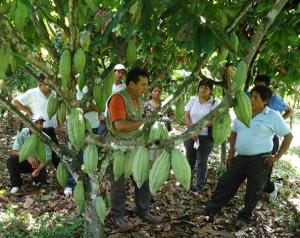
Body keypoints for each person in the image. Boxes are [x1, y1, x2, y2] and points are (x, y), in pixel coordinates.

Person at [198, 86, 293, 226]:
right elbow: (234, 132)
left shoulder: (273, 116)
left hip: (260, 160)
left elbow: (288, 136)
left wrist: (276, 157)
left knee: (254, 190)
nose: (251, 99)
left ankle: (244, 216)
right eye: (251, 96)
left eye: (256, 97)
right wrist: (231, 153)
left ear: (265, 101)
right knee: (226, 183)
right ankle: (212, 208)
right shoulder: (243, 113)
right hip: (241, 157)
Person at [106, 67, 161, 231]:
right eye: (143, 84)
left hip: (136, 147)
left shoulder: (138, 99)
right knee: (119, 183)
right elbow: (120, 125)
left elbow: (139, 124)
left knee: (143, 178)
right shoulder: (118, 98)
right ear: (131, 83)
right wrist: (145, 122)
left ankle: (143, 210)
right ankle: (117, 215)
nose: (146, 88)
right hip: (119, 148)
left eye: (146, 85)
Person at [253, 75, 293, 201]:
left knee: (265, 166)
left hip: (270, 138)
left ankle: (270, 188)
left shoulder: (274, 100)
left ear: (267, 86)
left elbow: (290, 110)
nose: (258, 88)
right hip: (256, 136)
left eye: (261, 86)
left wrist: (278, 123)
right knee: (254, 167)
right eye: (256, 85)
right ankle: (258, 190)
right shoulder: (252, 96)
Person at [13, 74, 60, 168]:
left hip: (50, 129)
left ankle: (65, 181)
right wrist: (29, 112)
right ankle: (38, 177)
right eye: (48, 79)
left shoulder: (55, 94)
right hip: (37, 130)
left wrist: (58, 120)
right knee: (39, 154)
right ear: (41, 81)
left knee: (56, 156)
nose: (51, 82)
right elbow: (15, 101)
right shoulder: (33, 93)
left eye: (53, 80)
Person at [184, 79, 220, 195]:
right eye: (201, 87)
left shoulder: (215, 103)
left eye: (206, 88)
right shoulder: (192, 100)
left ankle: (198, 186)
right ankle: (187, 183)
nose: (203, 89)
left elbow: (214, 120)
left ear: (211, 91)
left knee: (201, 161)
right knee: (190, 160)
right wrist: (192, 129)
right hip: (190, 136)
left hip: (205, 137)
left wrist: (198, 130)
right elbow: (187, 115)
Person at [63, 84, 100, 196]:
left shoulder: (97, 87)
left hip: (93, 125)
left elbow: (100, 107)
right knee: (75, 155)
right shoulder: (76, 85)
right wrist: (87, 106)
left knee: (89, 156)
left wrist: (85, 106)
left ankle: (88, 184)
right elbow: (74, 106)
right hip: (77, 126)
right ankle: (70, 184)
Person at [7, 114, 52, 194]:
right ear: (30, 124)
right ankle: (16, 184)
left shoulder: (46, 138)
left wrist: (38, 169)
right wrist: (28, 157)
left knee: (38, 183)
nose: (39, 125)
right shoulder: (24, 132)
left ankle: (36, 179)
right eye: (36, 123)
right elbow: (14, 151)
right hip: (24, 162)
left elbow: (47, 159)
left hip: (37, 165)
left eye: (41, 123)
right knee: (12, 160)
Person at [98, 64, 127, 136]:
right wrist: (101, 113)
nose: (120, 74)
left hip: (117, 119)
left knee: (113, 142)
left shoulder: (124, 87)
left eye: (122, 73)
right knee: (100, 140)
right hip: (105, 119)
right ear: (114, 72)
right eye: (118, 72)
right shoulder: (106, 84)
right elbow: (101, 100)